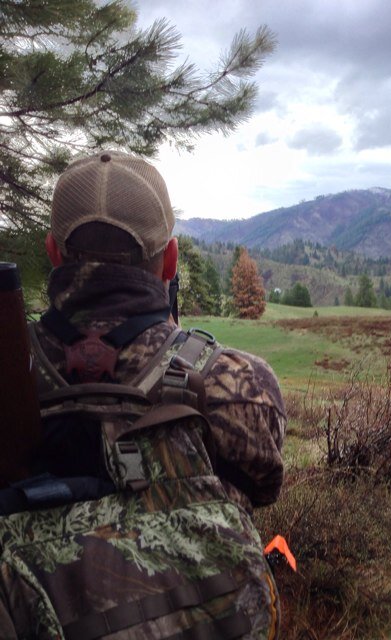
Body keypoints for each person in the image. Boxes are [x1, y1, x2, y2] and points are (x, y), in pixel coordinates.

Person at [0, 151, 286, 638]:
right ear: (170, 259)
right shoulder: (235, 383)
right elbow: (262, 488)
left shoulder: (9, 370)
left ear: (52, 252)